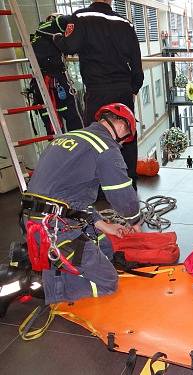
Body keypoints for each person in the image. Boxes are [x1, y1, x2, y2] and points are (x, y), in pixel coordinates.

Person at [15, 103, 141, 305]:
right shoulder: (105, 147)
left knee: (105, 246)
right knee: (108, 281)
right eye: (125, 139)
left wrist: (106, 226)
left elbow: (72, 198)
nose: (122, 144)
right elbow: (122, 196)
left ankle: (48, 258)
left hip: (35, 218)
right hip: (55, 228)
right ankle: (40, 283)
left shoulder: (68, 138)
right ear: (122, 126)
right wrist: (135, 220)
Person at [53, 0, 144, 190]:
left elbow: (69, 46)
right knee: (126, 134)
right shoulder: (125, 23)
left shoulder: (81, 17)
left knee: (97, 137)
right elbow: (136, 59)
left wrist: (57, 38)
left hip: (98, 89)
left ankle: (102, 187)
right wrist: (133, 88)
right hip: (122, 88)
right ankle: (128, 183)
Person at [30, 13, 83, 134]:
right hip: (56, 80)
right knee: (73, 115)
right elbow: (74, 19)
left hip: (39, 84)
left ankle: (59, 148)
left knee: (51, 121)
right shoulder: (58, 22)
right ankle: (80, 144)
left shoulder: (38, 34)